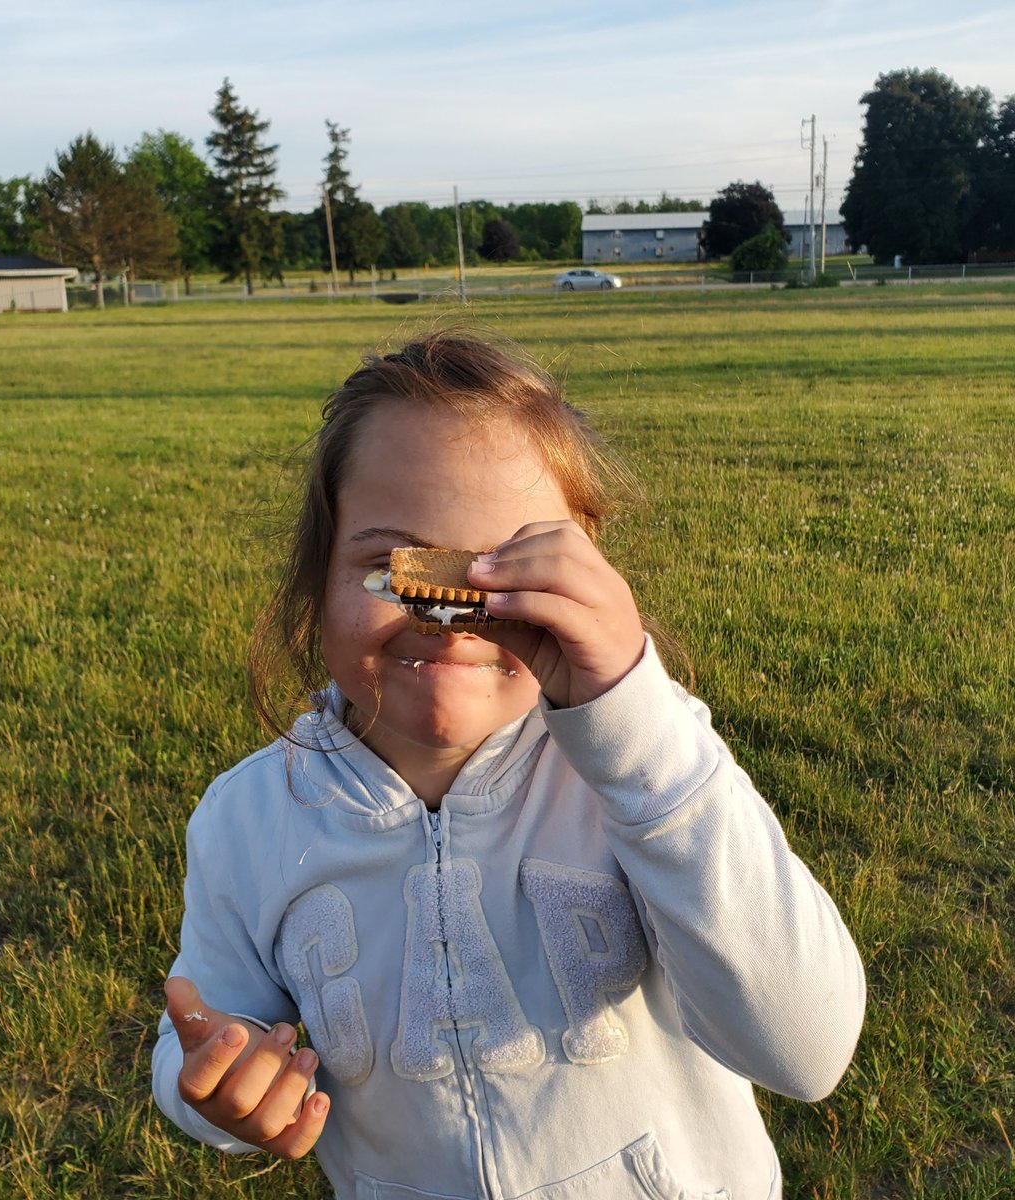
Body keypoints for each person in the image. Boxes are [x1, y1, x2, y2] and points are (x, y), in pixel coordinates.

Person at [152, 332, 866, 1199]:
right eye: (393, 571)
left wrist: (636, 732)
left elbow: (807, 1050)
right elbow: (206, 1026)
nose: (449, 617)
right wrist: (216, 1092)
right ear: (318, 581)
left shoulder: (645, 772)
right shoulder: (247, 821)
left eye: (504, 578)